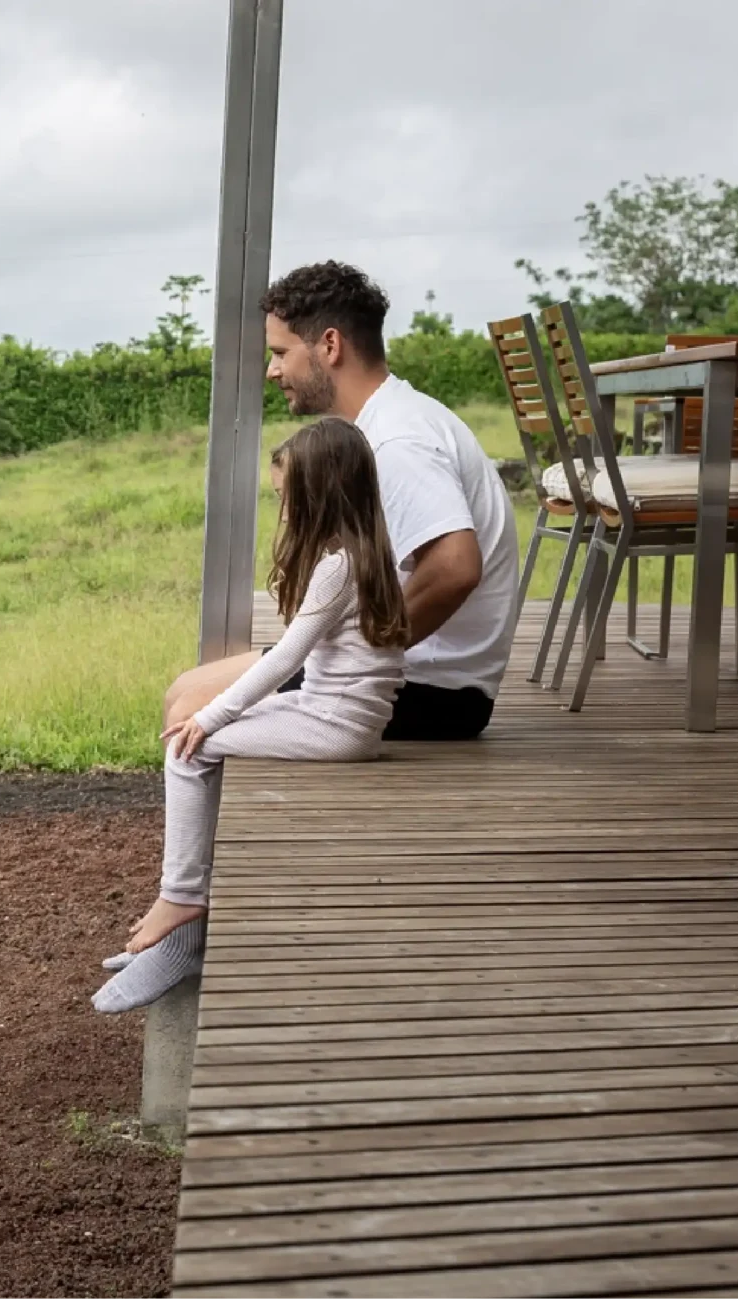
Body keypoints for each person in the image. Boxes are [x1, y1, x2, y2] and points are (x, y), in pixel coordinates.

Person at [96, 418, 410, 1012]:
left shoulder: (337, 566)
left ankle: (183, 896)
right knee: (199, 730)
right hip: (336, 714)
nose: (284, 510)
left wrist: (210, 720)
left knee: (188, 750)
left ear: (320, 493)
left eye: (287, 497)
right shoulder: (367, 553)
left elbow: (286, 657)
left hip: (334, 725)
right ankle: (182, 929)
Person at [165, 261, 519, 742]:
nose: (272, 371)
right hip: (410, 673)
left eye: (280, 353)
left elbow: (456, 567)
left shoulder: (398, 440)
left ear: (329, 345)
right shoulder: (387, 421)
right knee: (184, 689)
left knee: (193, 704)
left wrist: (366, 656)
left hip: (434, 689)